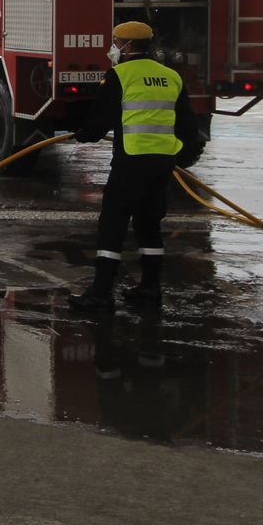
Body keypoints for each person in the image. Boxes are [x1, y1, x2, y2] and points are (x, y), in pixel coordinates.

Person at [70, 21, 204, 310]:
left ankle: (101, 293)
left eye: (115, 42)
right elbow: (189, 127)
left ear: (127, 46)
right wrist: (177, 156)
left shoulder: (119, 75)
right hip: (161, 165)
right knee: (148, 223)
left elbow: (98, 122)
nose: (113, 47)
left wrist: (83, 135)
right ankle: (150, 288)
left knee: (113, 224)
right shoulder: (171, 76)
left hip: (131, 161)